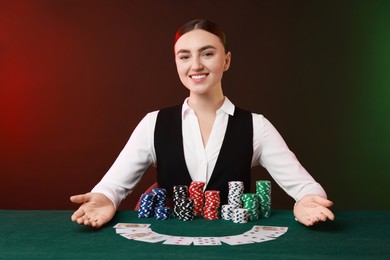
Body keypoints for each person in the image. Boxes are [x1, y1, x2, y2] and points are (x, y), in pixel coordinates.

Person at [70, 19, 334, 228]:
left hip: (235, 245)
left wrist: (306, 201)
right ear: (176, 63)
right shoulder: (153, 123)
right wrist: (104, 199)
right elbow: (113, 186)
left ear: (226, 60)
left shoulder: (257, 126)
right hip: (168, 245)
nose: (195, 65)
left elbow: (305, 187)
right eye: (184, 56)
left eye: (207, 54)